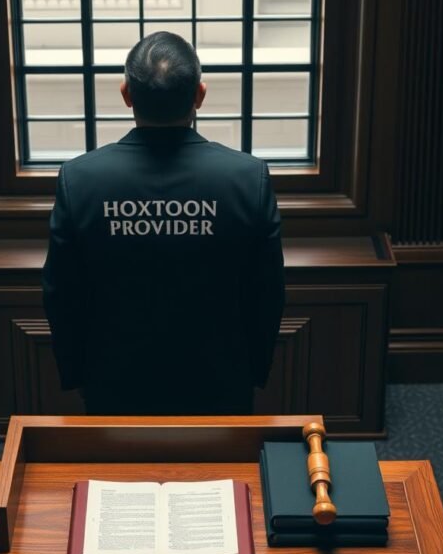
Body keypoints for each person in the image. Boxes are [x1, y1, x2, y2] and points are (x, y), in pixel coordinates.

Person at [42, 31, 285, 414]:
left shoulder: (80, 179)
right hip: (219, 379)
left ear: (125, 94)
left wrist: (77, 374)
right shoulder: (247, 178)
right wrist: (253, 371)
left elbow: (62, 294)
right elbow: (267, 294)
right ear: (199, 95)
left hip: (113, 379)